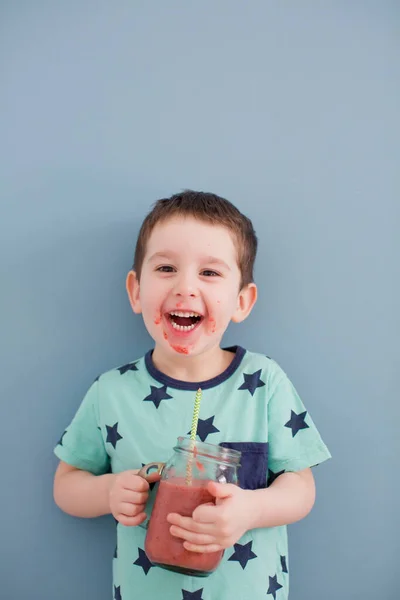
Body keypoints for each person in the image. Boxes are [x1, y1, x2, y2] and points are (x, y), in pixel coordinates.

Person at [53, 190, 331, 600]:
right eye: (166, 267)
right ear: (135, 291)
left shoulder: (264, 381)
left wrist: (251, 509)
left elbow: (302, 488)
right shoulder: (111, 391)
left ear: (242, 301)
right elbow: (66, 485)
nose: (185, 287)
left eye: (210, 273)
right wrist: (107, 492)